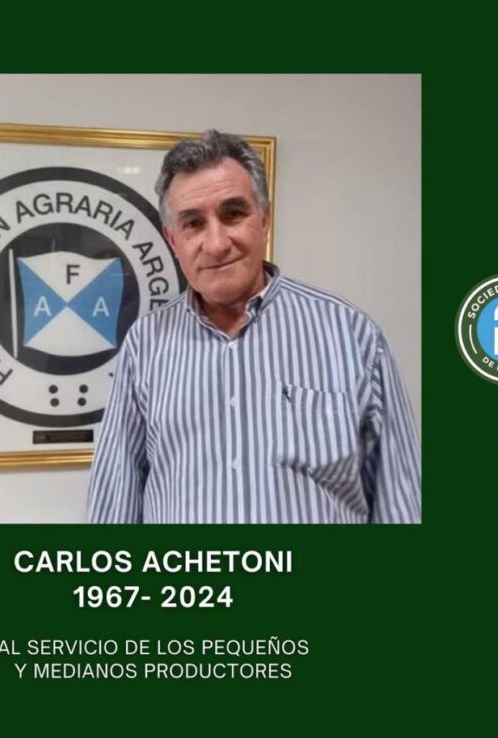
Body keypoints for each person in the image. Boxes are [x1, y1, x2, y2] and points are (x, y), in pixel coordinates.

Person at [88, 130, 420, 524]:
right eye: (193, 223)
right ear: (173, 240)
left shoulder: (352, 336)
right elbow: (115, 503)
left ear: (264, 220)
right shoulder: (145, 345)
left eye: (233, 214)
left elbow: (400, 504)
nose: (216, 243)